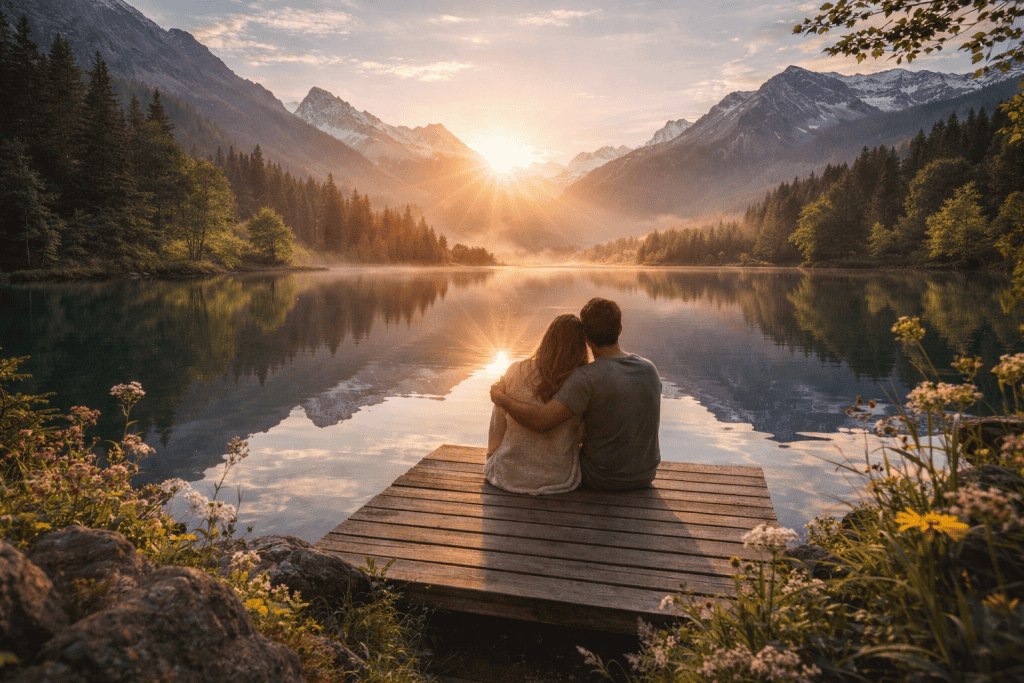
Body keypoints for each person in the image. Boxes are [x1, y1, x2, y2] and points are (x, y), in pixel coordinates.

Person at [490, 297, 661, 491]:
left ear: (586, 338)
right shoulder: (649, 369)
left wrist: (503, 399)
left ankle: (495, 454)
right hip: (646, 475)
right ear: (620, 329)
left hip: (601, 477)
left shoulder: (585, 378)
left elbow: (541, 422)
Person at [485, 313, 589, 494]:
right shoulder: (579, 382)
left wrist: (493, 455)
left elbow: (498, 426)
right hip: (558, 478)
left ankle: (499, 457)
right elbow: (581, 436)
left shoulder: (515, 370)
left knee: (501, 395)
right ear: (580, 347)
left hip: (508, 474)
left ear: (547, 340)